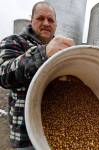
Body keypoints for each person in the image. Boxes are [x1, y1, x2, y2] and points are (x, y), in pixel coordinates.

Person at [0, 1, 75, 150]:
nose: (46, 23)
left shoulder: (62, 49)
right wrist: (43, 53)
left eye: (51, 20)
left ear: (56, 25)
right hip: (25, 135)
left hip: (56, 131)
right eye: (40, 18)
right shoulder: (15, 41)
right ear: (31, 20)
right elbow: (3, 74)